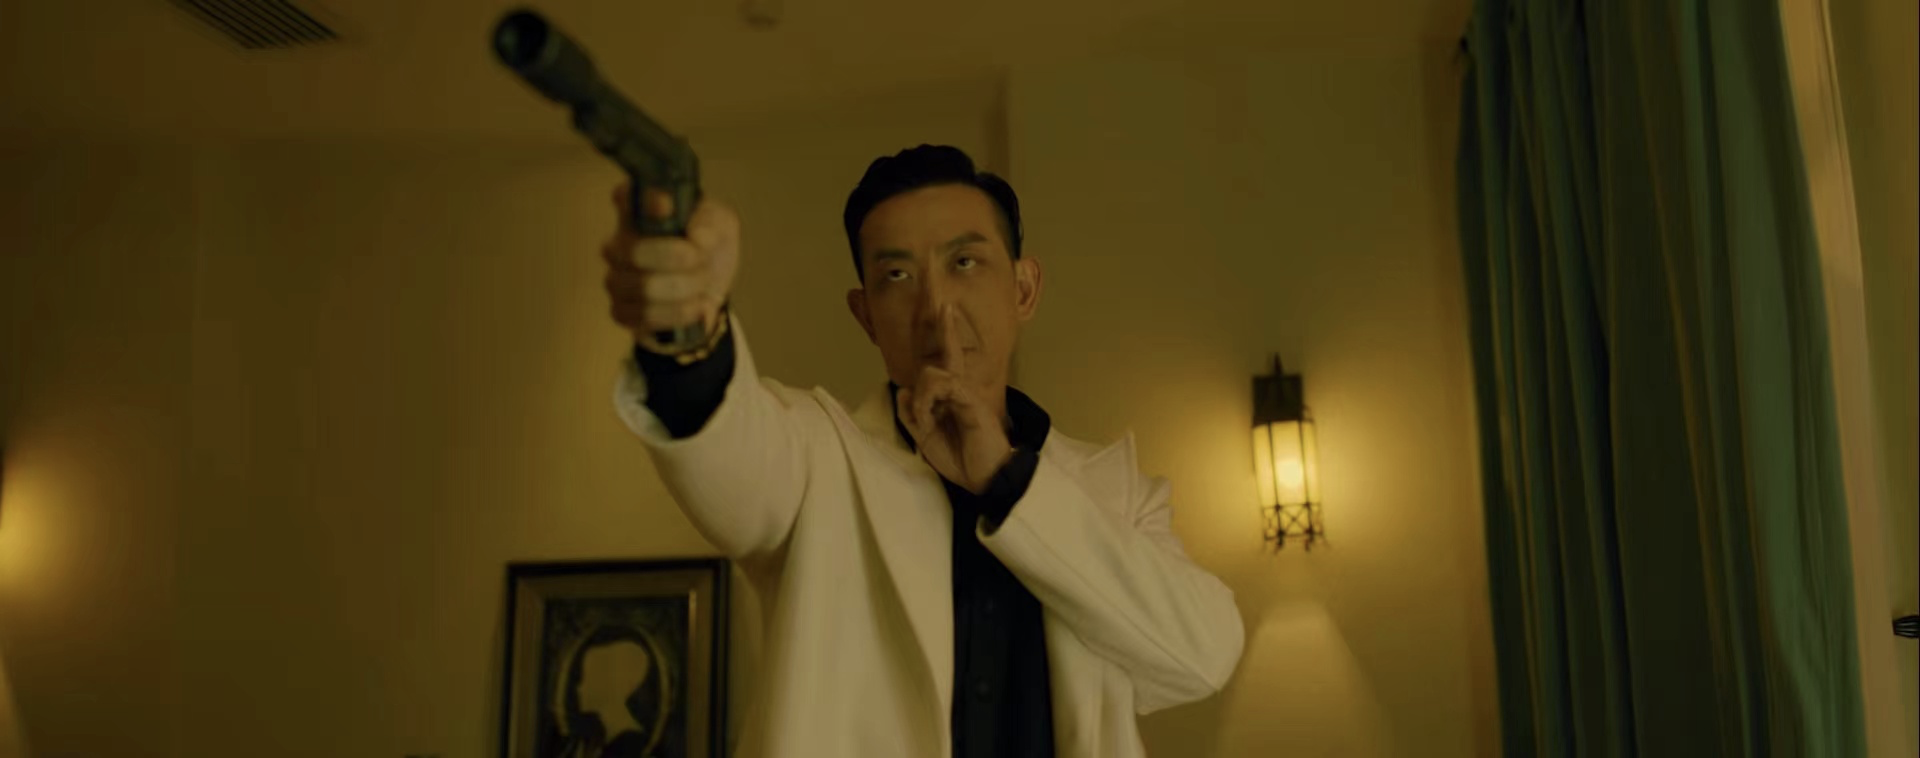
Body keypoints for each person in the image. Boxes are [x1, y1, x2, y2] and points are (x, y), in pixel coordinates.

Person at [603, 145, 1244, 758]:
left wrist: (1007, 480)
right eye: (897, 276)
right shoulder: (819, 461)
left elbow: (1204, 654)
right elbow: (727, 441)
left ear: (1023, 289)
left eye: (964, 263)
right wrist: (685, 330)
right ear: (866, 316)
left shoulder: (1117, 495)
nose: (936, 308)